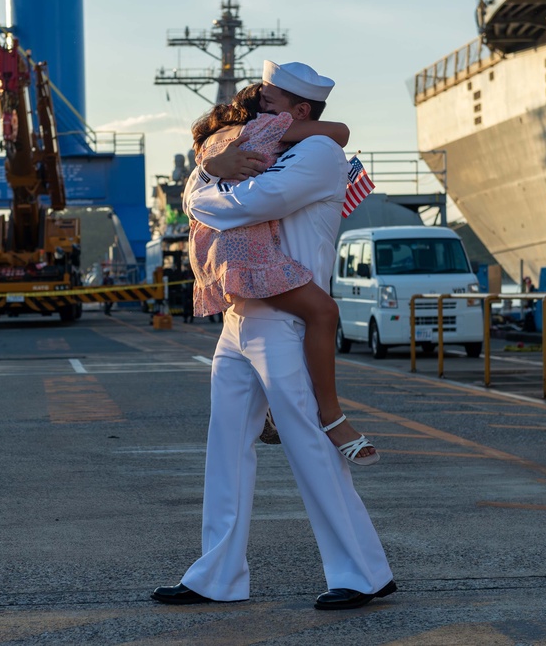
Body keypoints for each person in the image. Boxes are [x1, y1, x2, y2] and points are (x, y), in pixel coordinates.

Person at [152, 61, 395, 609]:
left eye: (267, 102)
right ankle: (217, 576)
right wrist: (209, 175)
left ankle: (362, 573)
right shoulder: (259, 141)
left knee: (308, 442)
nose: (254, 109)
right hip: (239, 315)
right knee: (226, 447)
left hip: (285, 317)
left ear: (300, 110)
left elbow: (250, 205)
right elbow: (207, 176)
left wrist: (201, 191)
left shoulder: (317, 155)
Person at [188, 82, 375, 463]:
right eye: (268, 105)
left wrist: (206, 172)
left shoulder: (212, 143)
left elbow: (196, 191)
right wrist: (282, 122)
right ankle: (331, 414)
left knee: (229, 443)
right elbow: (340, 132)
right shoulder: (261, 129)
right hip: (247, 252)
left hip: (213, 255)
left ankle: (277, 411)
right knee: (323, 312)